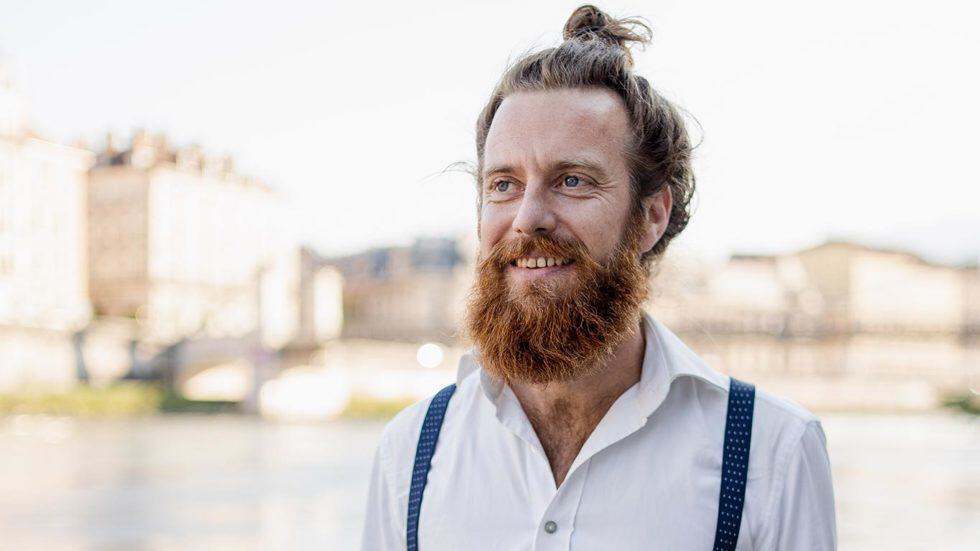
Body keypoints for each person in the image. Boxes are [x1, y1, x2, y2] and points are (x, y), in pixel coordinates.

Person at [360, 5, 837, 550]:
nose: (527, 217)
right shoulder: (410, 453)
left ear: (652, 215)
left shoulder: (769, 453)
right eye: (503, 185)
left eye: (572, 180)